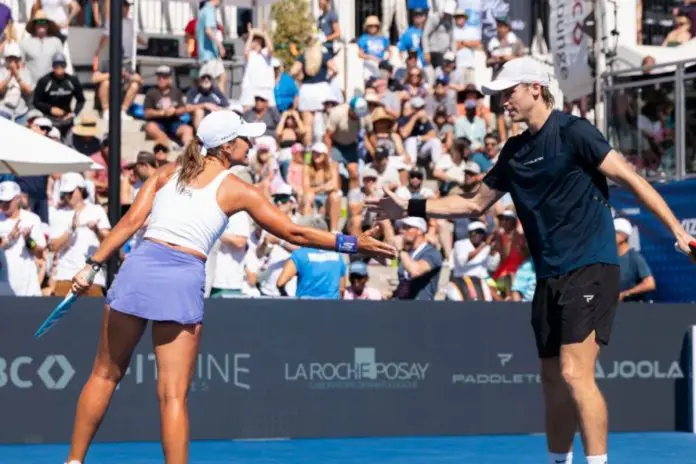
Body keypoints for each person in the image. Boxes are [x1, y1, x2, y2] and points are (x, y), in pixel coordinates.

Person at [366, 56, 696, 464]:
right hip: (549, 276)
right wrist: (410, 206)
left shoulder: (575, 132)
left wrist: (678, 230)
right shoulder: (514, 151)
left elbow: (631, 178)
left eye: (510, 92)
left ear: (535, 89)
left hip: (591, 267)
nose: (503, 101)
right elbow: (472, 205)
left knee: (576, 374)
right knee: (552, 381)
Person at [64, 111, 394, 464]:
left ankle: (74, 461)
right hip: (181, 277)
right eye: (244, 138)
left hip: (138, 269)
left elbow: (130, 223)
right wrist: (351, 243)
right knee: (173, 395)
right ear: (226, 147)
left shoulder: (165, 174)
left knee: (103, 375)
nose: (250, 143)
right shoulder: (237, 189)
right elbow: (294, 232)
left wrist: (91, 265)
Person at [276, 216, 347, 299]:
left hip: (305, 308)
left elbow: (280, 282)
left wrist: (284, 296)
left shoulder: (300, 254)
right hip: (331, 308)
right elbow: (341, 290)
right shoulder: (337, 256)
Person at [613, 217, 655, 302]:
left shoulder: (634, 258)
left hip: (632, 309)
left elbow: (650, 284)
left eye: (613, 232)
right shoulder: (609, 258)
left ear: (624, 236)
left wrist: (626, 294)